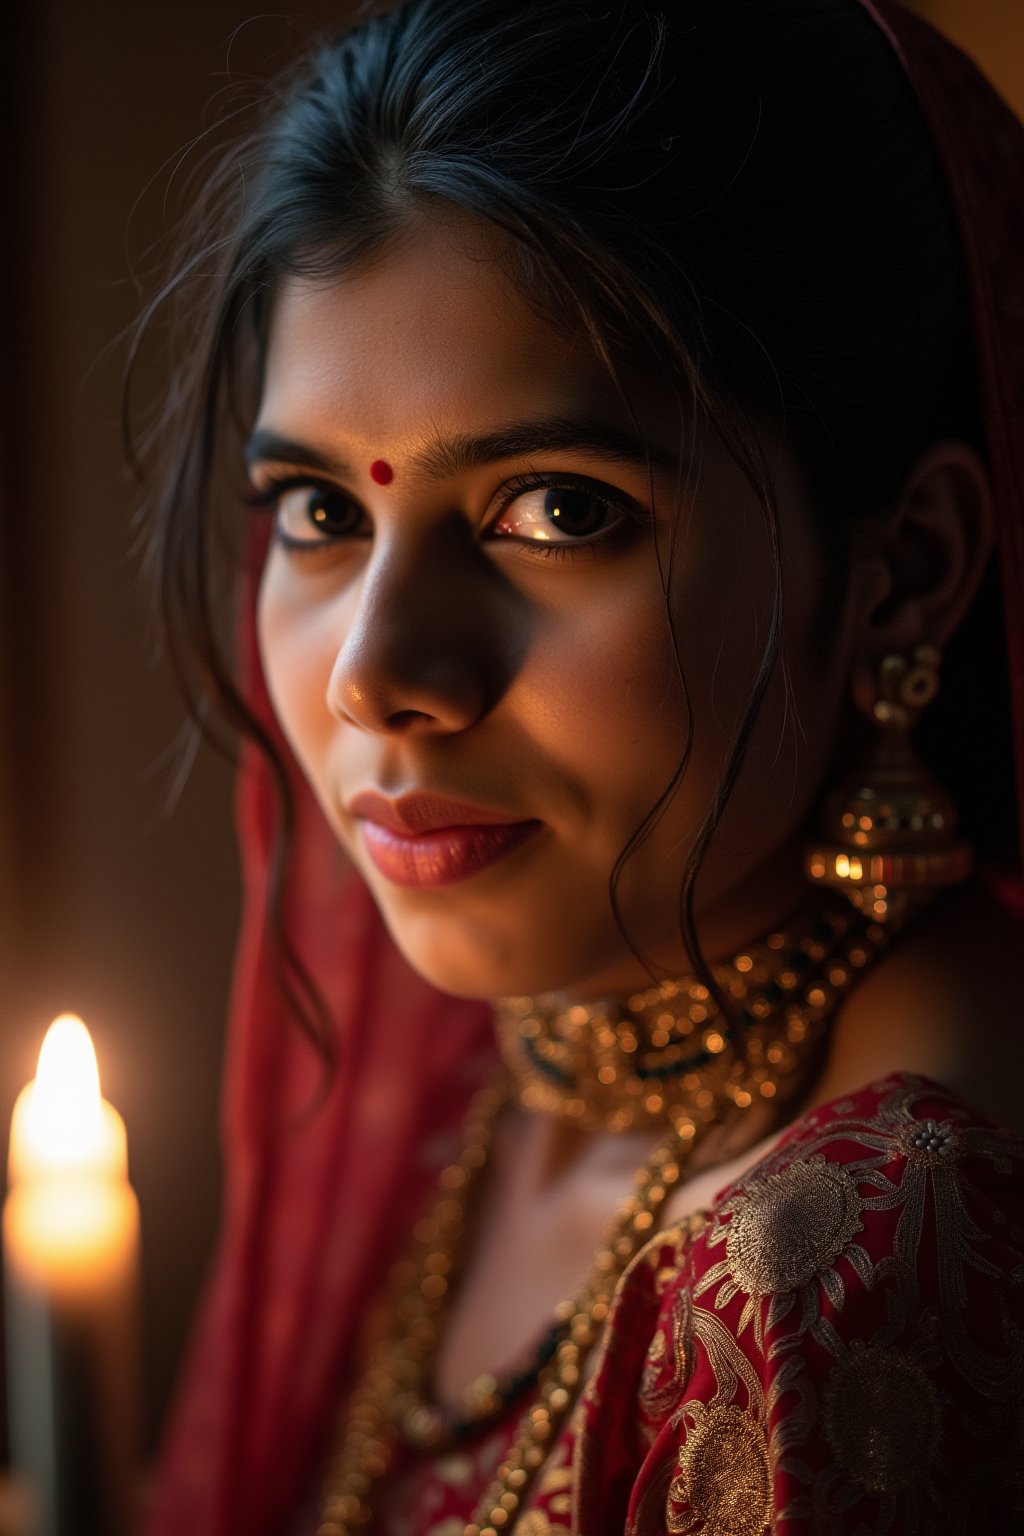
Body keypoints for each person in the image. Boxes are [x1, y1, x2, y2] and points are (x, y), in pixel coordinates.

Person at [136, 1, 1024, 1532]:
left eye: (558, 510)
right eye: (320, 513)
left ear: (906, 569)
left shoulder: (856, 1261)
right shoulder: (489, 1069)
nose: (372, 674)